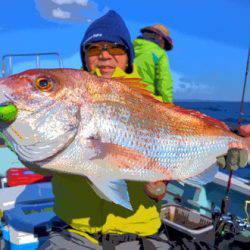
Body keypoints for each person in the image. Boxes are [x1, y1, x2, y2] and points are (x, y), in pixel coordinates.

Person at [39, 10, 170, 250]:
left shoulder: (155, 105)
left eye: (116, 49)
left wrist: (160, 187)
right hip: (73, 234)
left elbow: (166, 181)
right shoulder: (65, 98)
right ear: (85, 57)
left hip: (138, 237)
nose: (105, 56)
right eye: (94, 49)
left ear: (129, 57)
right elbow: (34, 156)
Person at [133, 24, 173, 102]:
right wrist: (169, 106)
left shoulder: (129, 47)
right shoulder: (160, 53)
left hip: (124, 97)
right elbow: (164, 84)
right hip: (147, 101)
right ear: (160, 38)